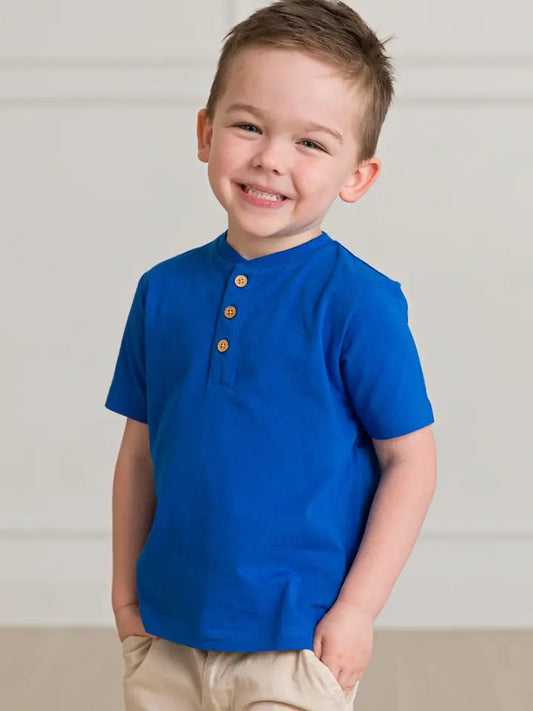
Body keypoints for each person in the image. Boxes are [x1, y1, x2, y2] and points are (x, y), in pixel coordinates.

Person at [104, 1, 437, 709]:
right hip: (166, 631)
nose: (270, 158)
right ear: (206, 132)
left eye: (310, 142)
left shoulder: (360, 303)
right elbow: (138, 453)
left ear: (356, 176)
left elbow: (409, 461)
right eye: (249, 126)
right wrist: (127, 595)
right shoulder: (162, 291)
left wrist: (357, 610)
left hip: (299, 639)